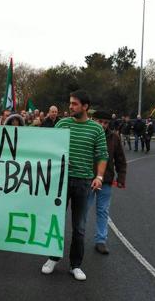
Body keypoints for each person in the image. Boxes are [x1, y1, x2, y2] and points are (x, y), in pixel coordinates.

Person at [41, 90, 108, 281]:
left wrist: (100, 177)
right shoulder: (62, 124)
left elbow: (102, 155)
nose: (70, 107)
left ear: (85, 106)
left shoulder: (96, 129)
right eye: (70, 103)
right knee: (56, 222)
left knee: (79, 226)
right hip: (61, 181)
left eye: (74, 104)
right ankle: (53, 258)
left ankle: (75, 265)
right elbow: (50, 147)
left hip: (84, 183)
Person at [88, 111, 126, 255]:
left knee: (103, 211)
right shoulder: (88, 134)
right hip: (88, 179)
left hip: (106, 180)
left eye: (105, 122)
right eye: (100, 121)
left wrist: (121, 178)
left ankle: (101, 240)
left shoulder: (114, 138)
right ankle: (78, 237)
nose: (103, 125)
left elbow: (120, 159)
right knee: (83, 210)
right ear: (94, 120)